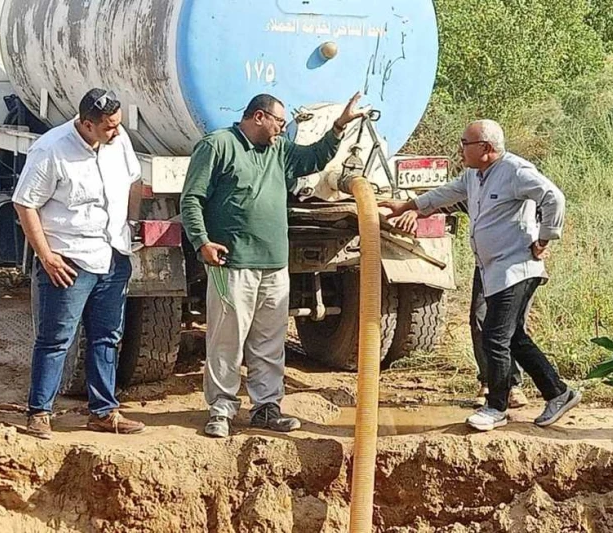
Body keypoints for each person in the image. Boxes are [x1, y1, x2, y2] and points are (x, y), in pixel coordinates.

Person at [181, 92, 364, 438]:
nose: (283, 128)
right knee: (226, 339)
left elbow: (314, 159)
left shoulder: (279, 150)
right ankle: (221, 408)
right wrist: (201, 242)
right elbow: (192, 197)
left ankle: (267, 407)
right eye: (279, 122)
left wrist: (339, 126)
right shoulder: (218, 145)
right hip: (231, 262)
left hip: (274, 264)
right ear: (259, 117)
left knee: (269, 340)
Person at [382, 119, 580, 431]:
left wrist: (544, 238)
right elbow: (447, 193)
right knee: (511, 336)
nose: (460, 149)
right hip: (491, 268)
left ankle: (496, 407)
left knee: (495, 336)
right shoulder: (475, 175)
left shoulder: (515, 171)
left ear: (485, 148)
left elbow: (554, 197)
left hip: (516, 267)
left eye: (465, 143)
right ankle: (558, 392)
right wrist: (408, 205)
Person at [13, 88, 146, 439]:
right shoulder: (51, 149)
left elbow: (135, 180)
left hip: (113, 255)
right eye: (109, 127)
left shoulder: (118, 141)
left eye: (118, 125)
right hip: (69, 260)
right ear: (87, 124)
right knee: (56, 338)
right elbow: (25, 203)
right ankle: (39, 412)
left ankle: (104, 411)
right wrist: (46, 256)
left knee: (107, 337)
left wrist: (130, 223)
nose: (116, 132)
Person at [391, 209, 529, 408]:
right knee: (479, 319)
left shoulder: (519, 180)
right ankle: (488, 383)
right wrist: (413, 209)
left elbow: (550, 201)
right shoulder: (474, 184)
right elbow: (444, 199)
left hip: (518, 264)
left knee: (512, 324)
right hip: (487, 264)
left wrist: (543, 239)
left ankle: (514, 386)